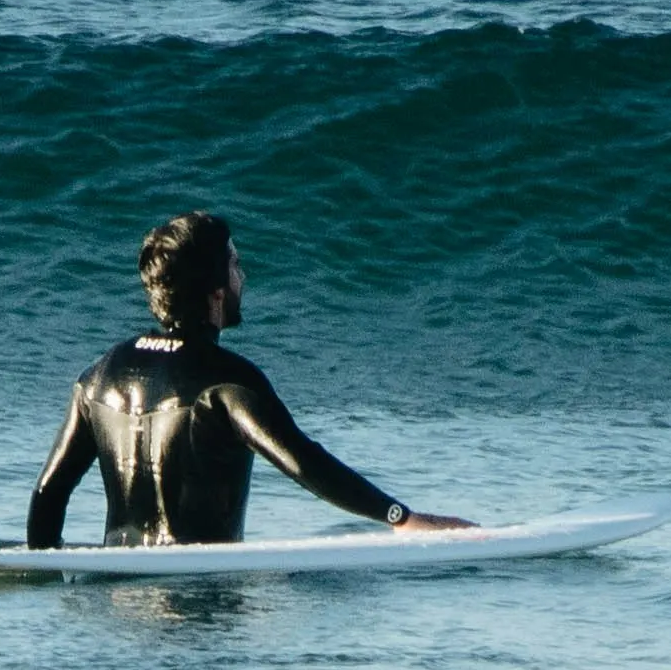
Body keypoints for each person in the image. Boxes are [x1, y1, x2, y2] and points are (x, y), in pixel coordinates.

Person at [26, 210, 469, 550]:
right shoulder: (228, 382)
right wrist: (399, 516)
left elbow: (49, 494)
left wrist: (45, 567)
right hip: (199, 597)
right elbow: (304, 463)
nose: (244, 276)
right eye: (235, 264)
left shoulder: (99, 374)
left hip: (115, 601)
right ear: (216, 290)